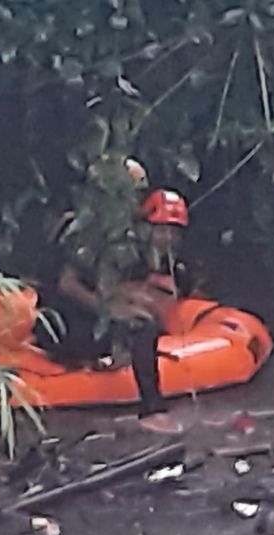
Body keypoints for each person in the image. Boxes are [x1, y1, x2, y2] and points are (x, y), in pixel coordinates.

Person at [36, 159, 190, 434]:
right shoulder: (88, 231)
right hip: (60, 325)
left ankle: (116, 354)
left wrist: (131, 301)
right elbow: (67, 285)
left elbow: (108, 283)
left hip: (86, 319)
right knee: (142, 327)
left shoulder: (126, 237)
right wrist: (112, 311)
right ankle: (152, 411)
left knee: (142, 315)